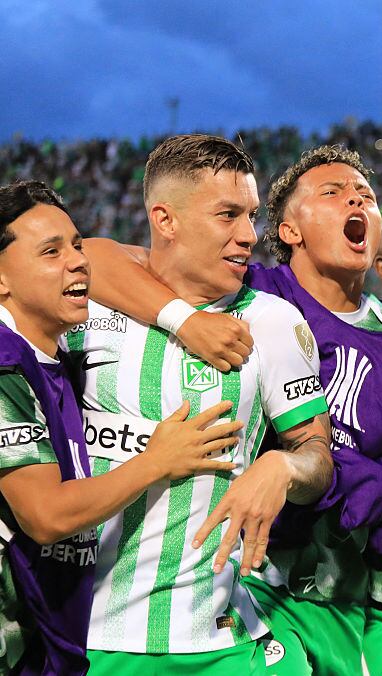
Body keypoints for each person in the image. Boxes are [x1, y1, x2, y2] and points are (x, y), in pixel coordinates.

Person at [83, 145, 382, 676]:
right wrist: (185, 320)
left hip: (346, 598)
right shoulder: (249, 291)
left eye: (365, 195)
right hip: (249, 588)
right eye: (333, 192)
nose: (357, 200)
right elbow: (97, 257)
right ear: (289, 230)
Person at [71, 135, 332, 674]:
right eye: (227, 215)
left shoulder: (271, 322)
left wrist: (283, 465)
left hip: (225, 642)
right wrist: (183, 320)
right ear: (165, 221)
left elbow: (318, 458)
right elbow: (90, 252)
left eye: (252, 216)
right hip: (91, 638)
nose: (248, 236)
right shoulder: (83, 309)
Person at [0, 180, 244, 674]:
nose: (77, 261)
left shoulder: (52, 356)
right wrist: (155, 463)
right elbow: (45, 515)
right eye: (51, 252)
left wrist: (184, 320)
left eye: (74, 244)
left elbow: (106, 257)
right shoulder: (5, 367)